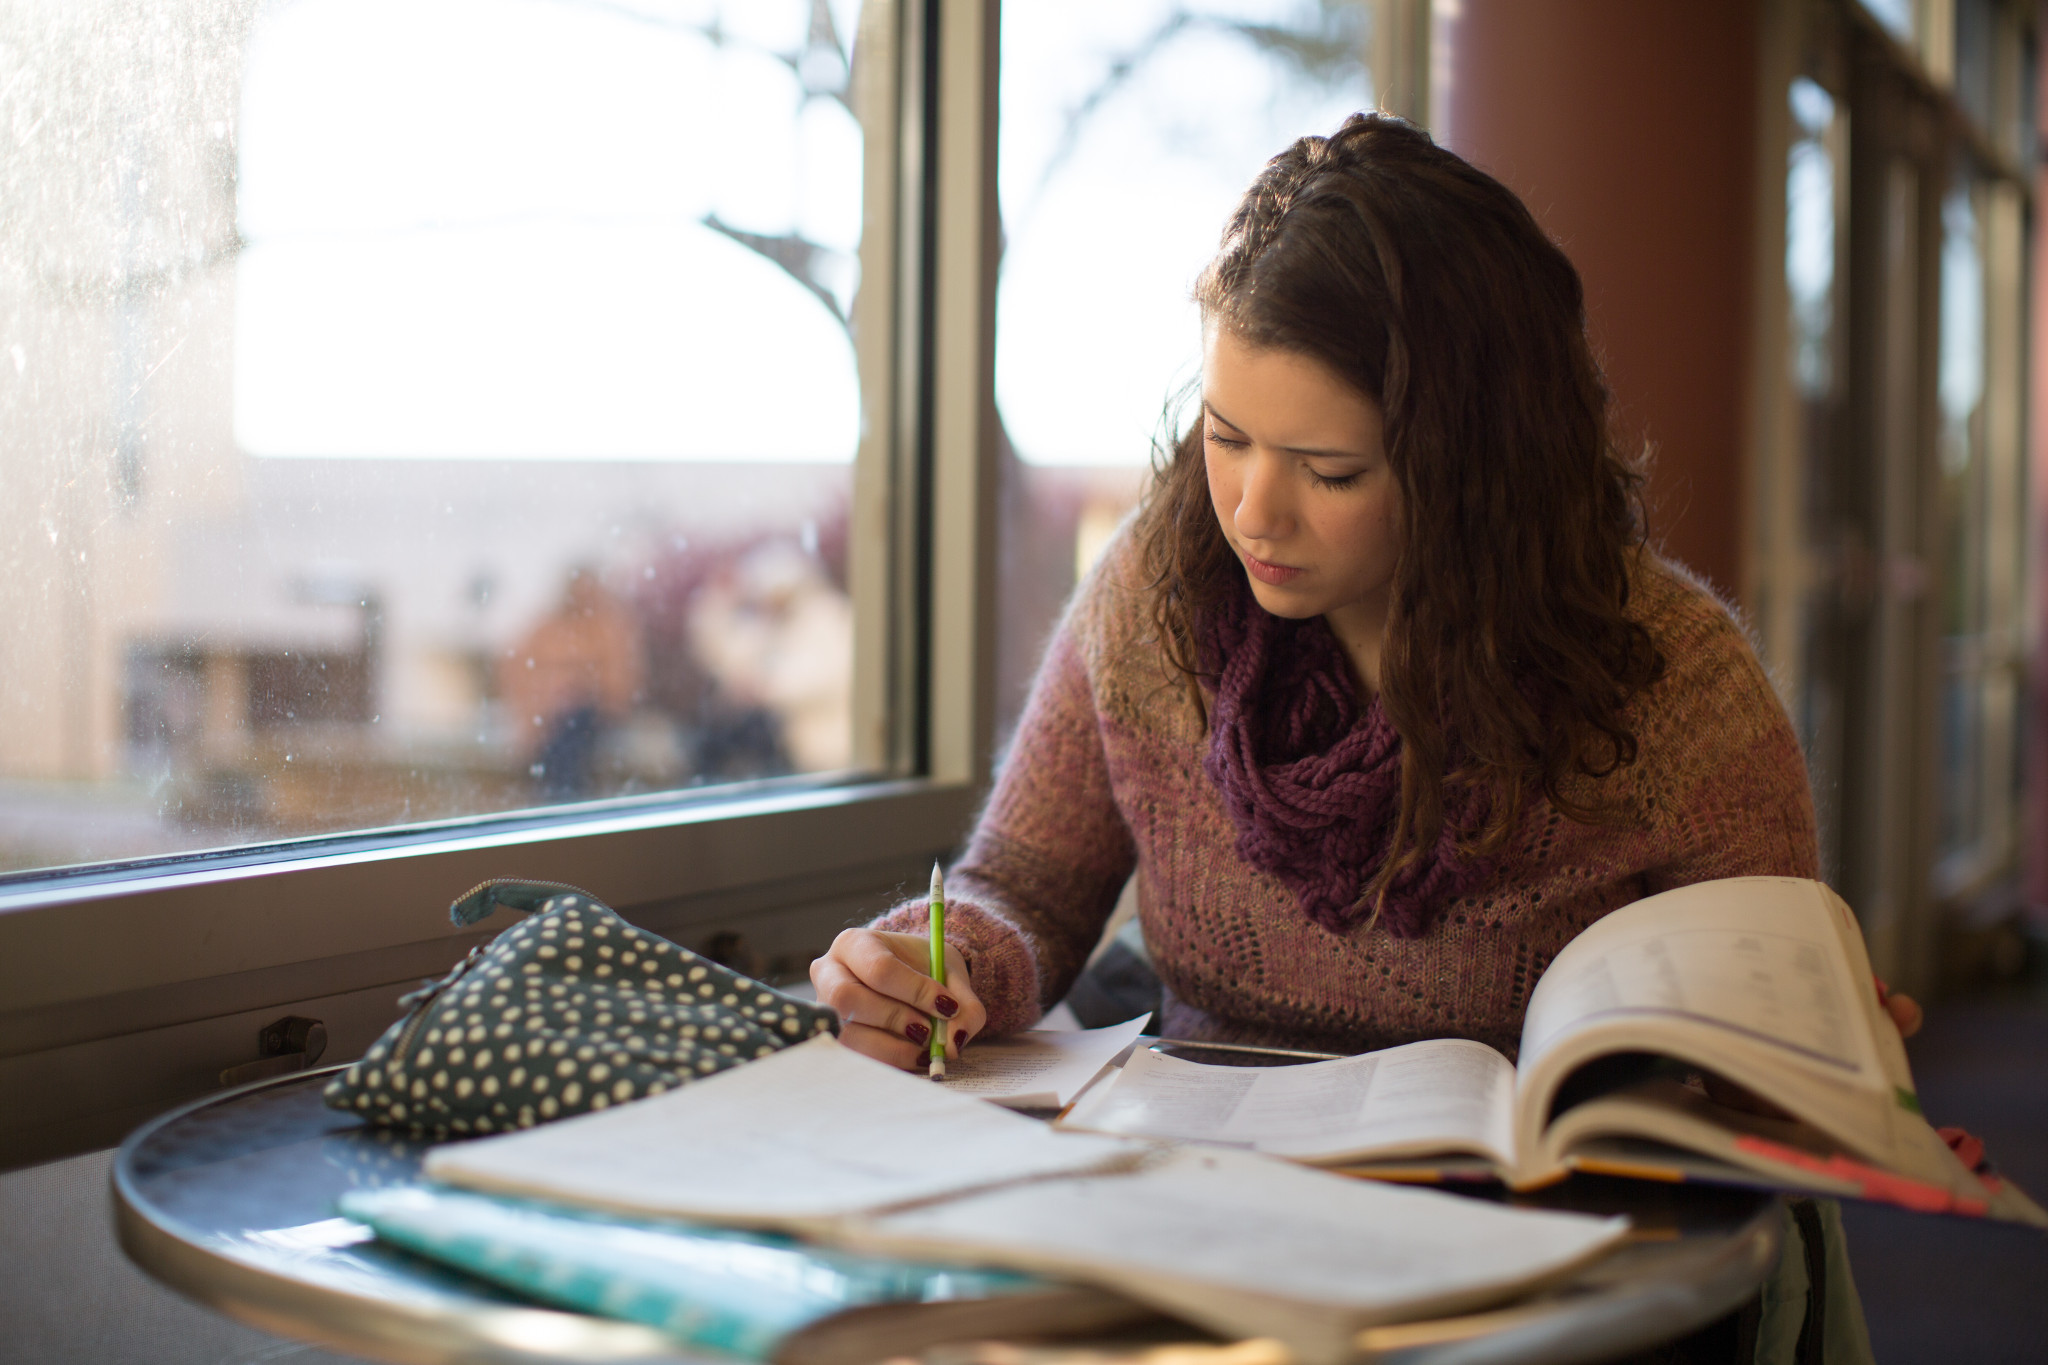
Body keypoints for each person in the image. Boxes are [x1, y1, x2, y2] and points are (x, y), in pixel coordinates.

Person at [811, 112, 1919, 1072]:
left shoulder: (1669, 678)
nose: (1251, 511)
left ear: (1475, 468)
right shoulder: (1157, 591)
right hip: (1193, 1183)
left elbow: (1764, 1020)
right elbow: (1027, 887)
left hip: (1535, 1233)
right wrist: (936, 969)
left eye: (1328, 471)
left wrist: (1822, 1076)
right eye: (1226, 438)